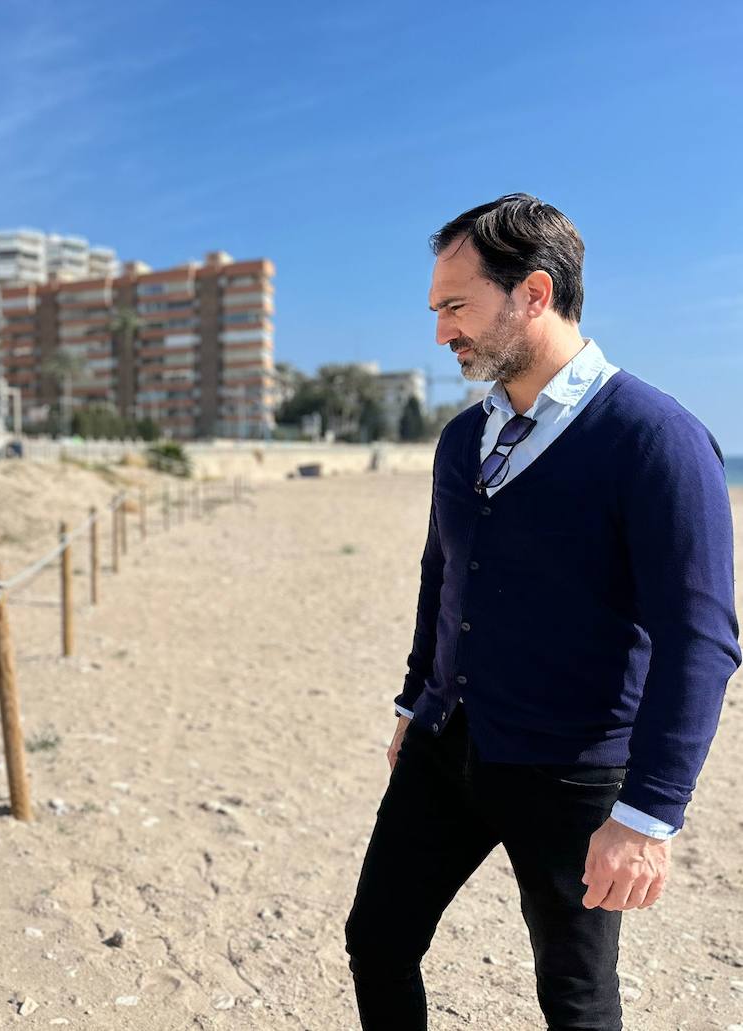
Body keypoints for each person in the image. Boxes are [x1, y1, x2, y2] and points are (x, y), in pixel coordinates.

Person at [344, 193, 740, 1030]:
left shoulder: (655, 437)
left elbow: (699, 639)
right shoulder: (464, 438)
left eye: (456, 306)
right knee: (376, 939)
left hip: (573, 773)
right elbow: (440, 575)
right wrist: (417, 699)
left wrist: (649, 813)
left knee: (575, 998)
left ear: (532, 292)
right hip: (447, 742)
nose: (441, 331)